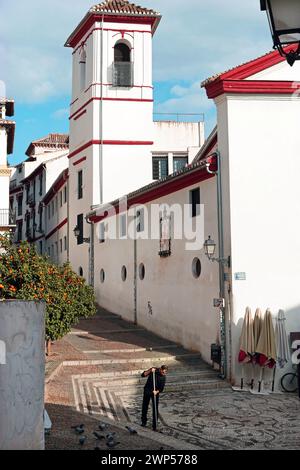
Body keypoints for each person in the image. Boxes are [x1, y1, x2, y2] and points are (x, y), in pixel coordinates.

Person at [141, 364, 168, 431]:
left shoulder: (163, 377)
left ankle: (154, 426)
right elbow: (143, 375)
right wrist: (150, 370)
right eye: (163, 372)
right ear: (161, 369)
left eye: (165, 372)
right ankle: (143, 422)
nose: (163, 373)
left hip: (155, 393)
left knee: (155, 408)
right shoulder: (154, 370)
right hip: (147, 390)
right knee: (145, 406)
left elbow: (161, 388)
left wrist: (157, 391)